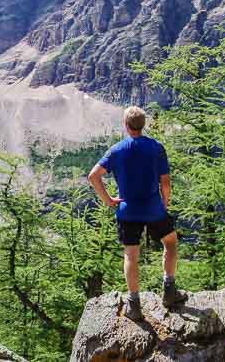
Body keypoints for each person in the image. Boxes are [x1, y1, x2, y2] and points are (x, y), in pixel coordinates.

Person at [88, 106, 184, 321]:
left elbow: (93, 176)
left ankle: (134, 304)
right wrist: (164, 203)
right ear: (143, 124)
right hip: (153, 209)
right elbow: (165, 182)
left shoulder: (116, 150)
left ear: (125, 125)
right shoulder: (156, 147)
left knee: (131, 255)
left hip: (127, 211)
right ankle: (169, 289)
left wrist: (109, 200)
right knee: (170, 242)